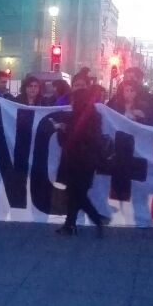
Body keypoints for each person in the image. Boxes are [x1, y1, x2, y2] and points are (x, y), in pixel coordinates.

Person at [52, 87, 109, 236]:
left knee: (77, 194)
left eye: (74, 99)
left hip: (76, 162)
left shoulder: (77, 117)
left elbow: (73, 139)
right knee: (75, 194)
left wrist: (62, 129)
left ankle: (96, 219)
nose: (71, 102)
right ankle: (70, 225)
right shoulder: (95, 116)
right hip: (86, 162)